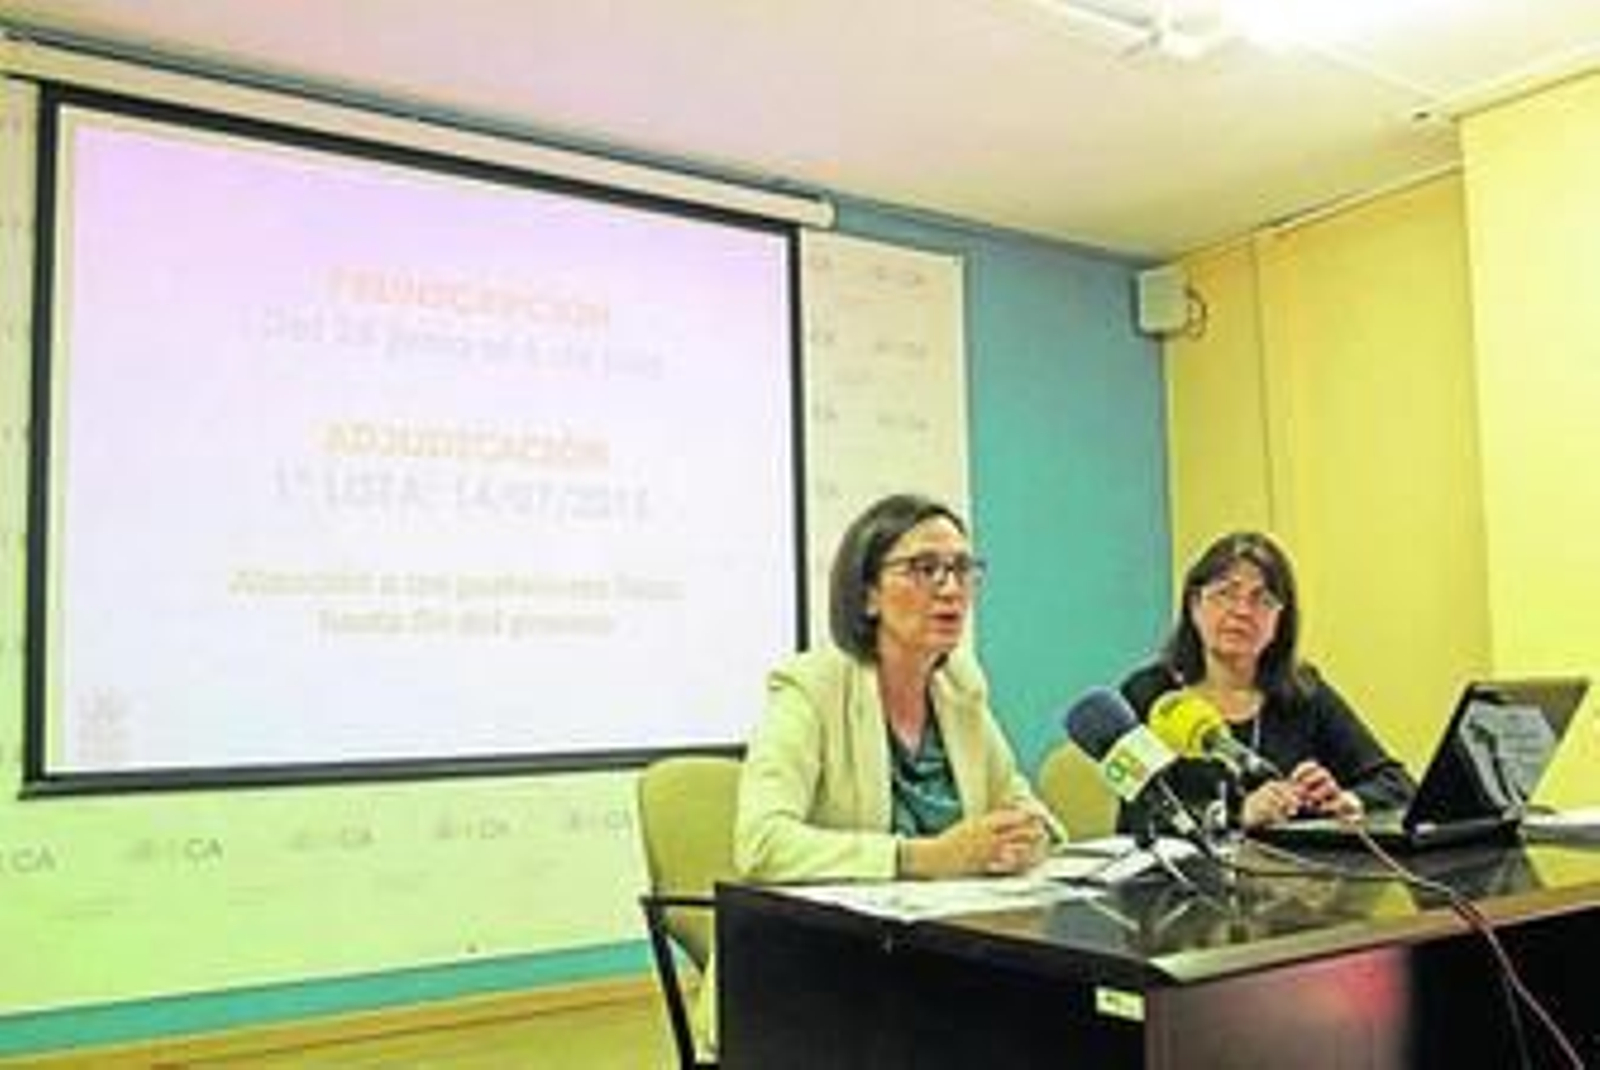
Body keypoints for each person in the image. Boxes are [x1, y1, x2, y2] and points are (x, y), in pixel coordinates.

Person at [736, 492, 1057, 883]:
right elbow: (760, 844)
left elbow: (1024, 808)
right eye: (925, 568)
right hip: (839, 937)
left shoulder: (960, 687)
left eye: (961, 568)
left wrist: (1027, 841)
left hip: (949, 927)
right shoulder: (811, 688)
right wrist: (924, 857)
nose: (951, 588)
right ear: (869, 594)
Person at [1118, 530, 1414, 835]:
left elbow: (1397, 784)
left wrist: (1344, 800)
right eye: (1226, 593)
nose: (1242, 611)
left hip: (1292, 877)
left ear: (1279, 621)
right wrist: (1238, 814)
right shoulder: (1148, 695)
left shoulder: (1303, 692)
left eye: (1262, 599)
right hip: (1183, 879)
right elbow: (1138, 819)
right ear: (1195, 604)